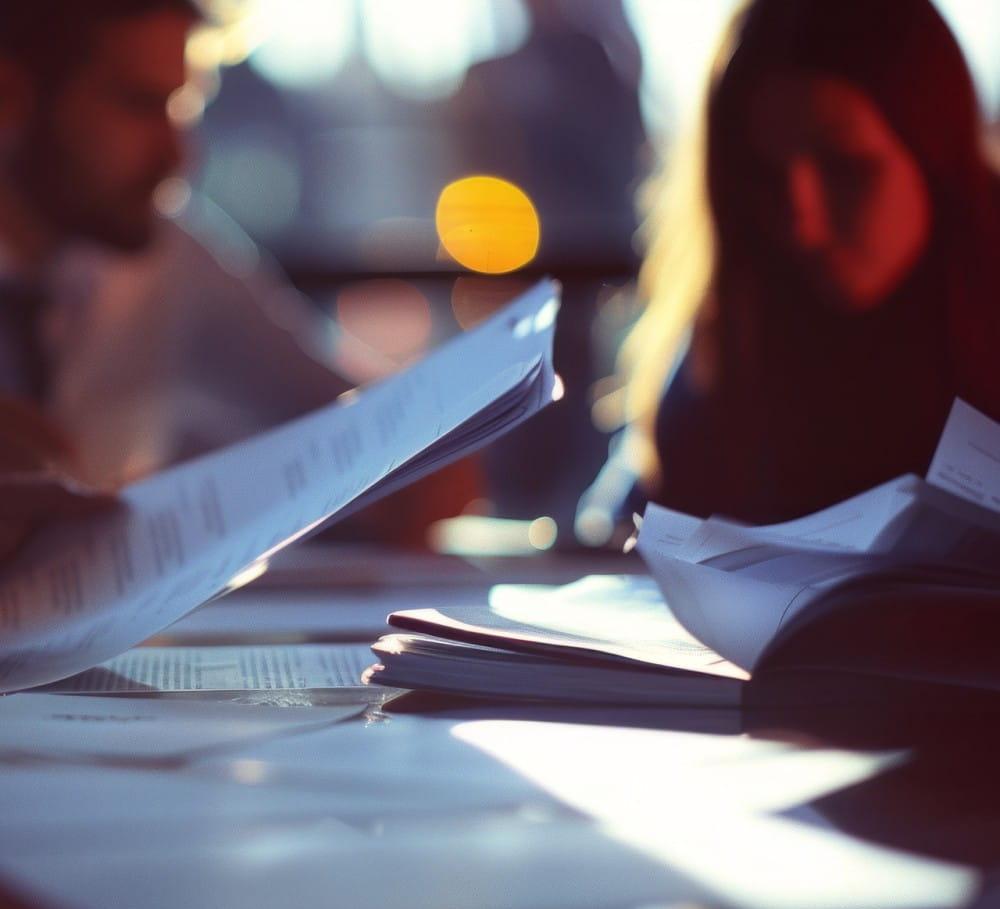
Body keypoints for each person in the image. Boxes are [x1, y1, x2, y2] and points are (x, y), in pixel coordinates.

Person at [0, 0, 474, 557]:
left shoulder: (173, 259)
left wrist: (424, 453)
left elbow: (362, 432)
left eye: (182, 107)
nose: (177, 155)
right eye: (139, 105)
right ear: (12, 99)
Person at [579, 0, 1000, 538]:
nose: (802, 224)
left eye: (846, 171)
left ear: (937, 159)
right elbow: (629, 517)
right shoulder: (732, 325)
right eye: (762, 175)